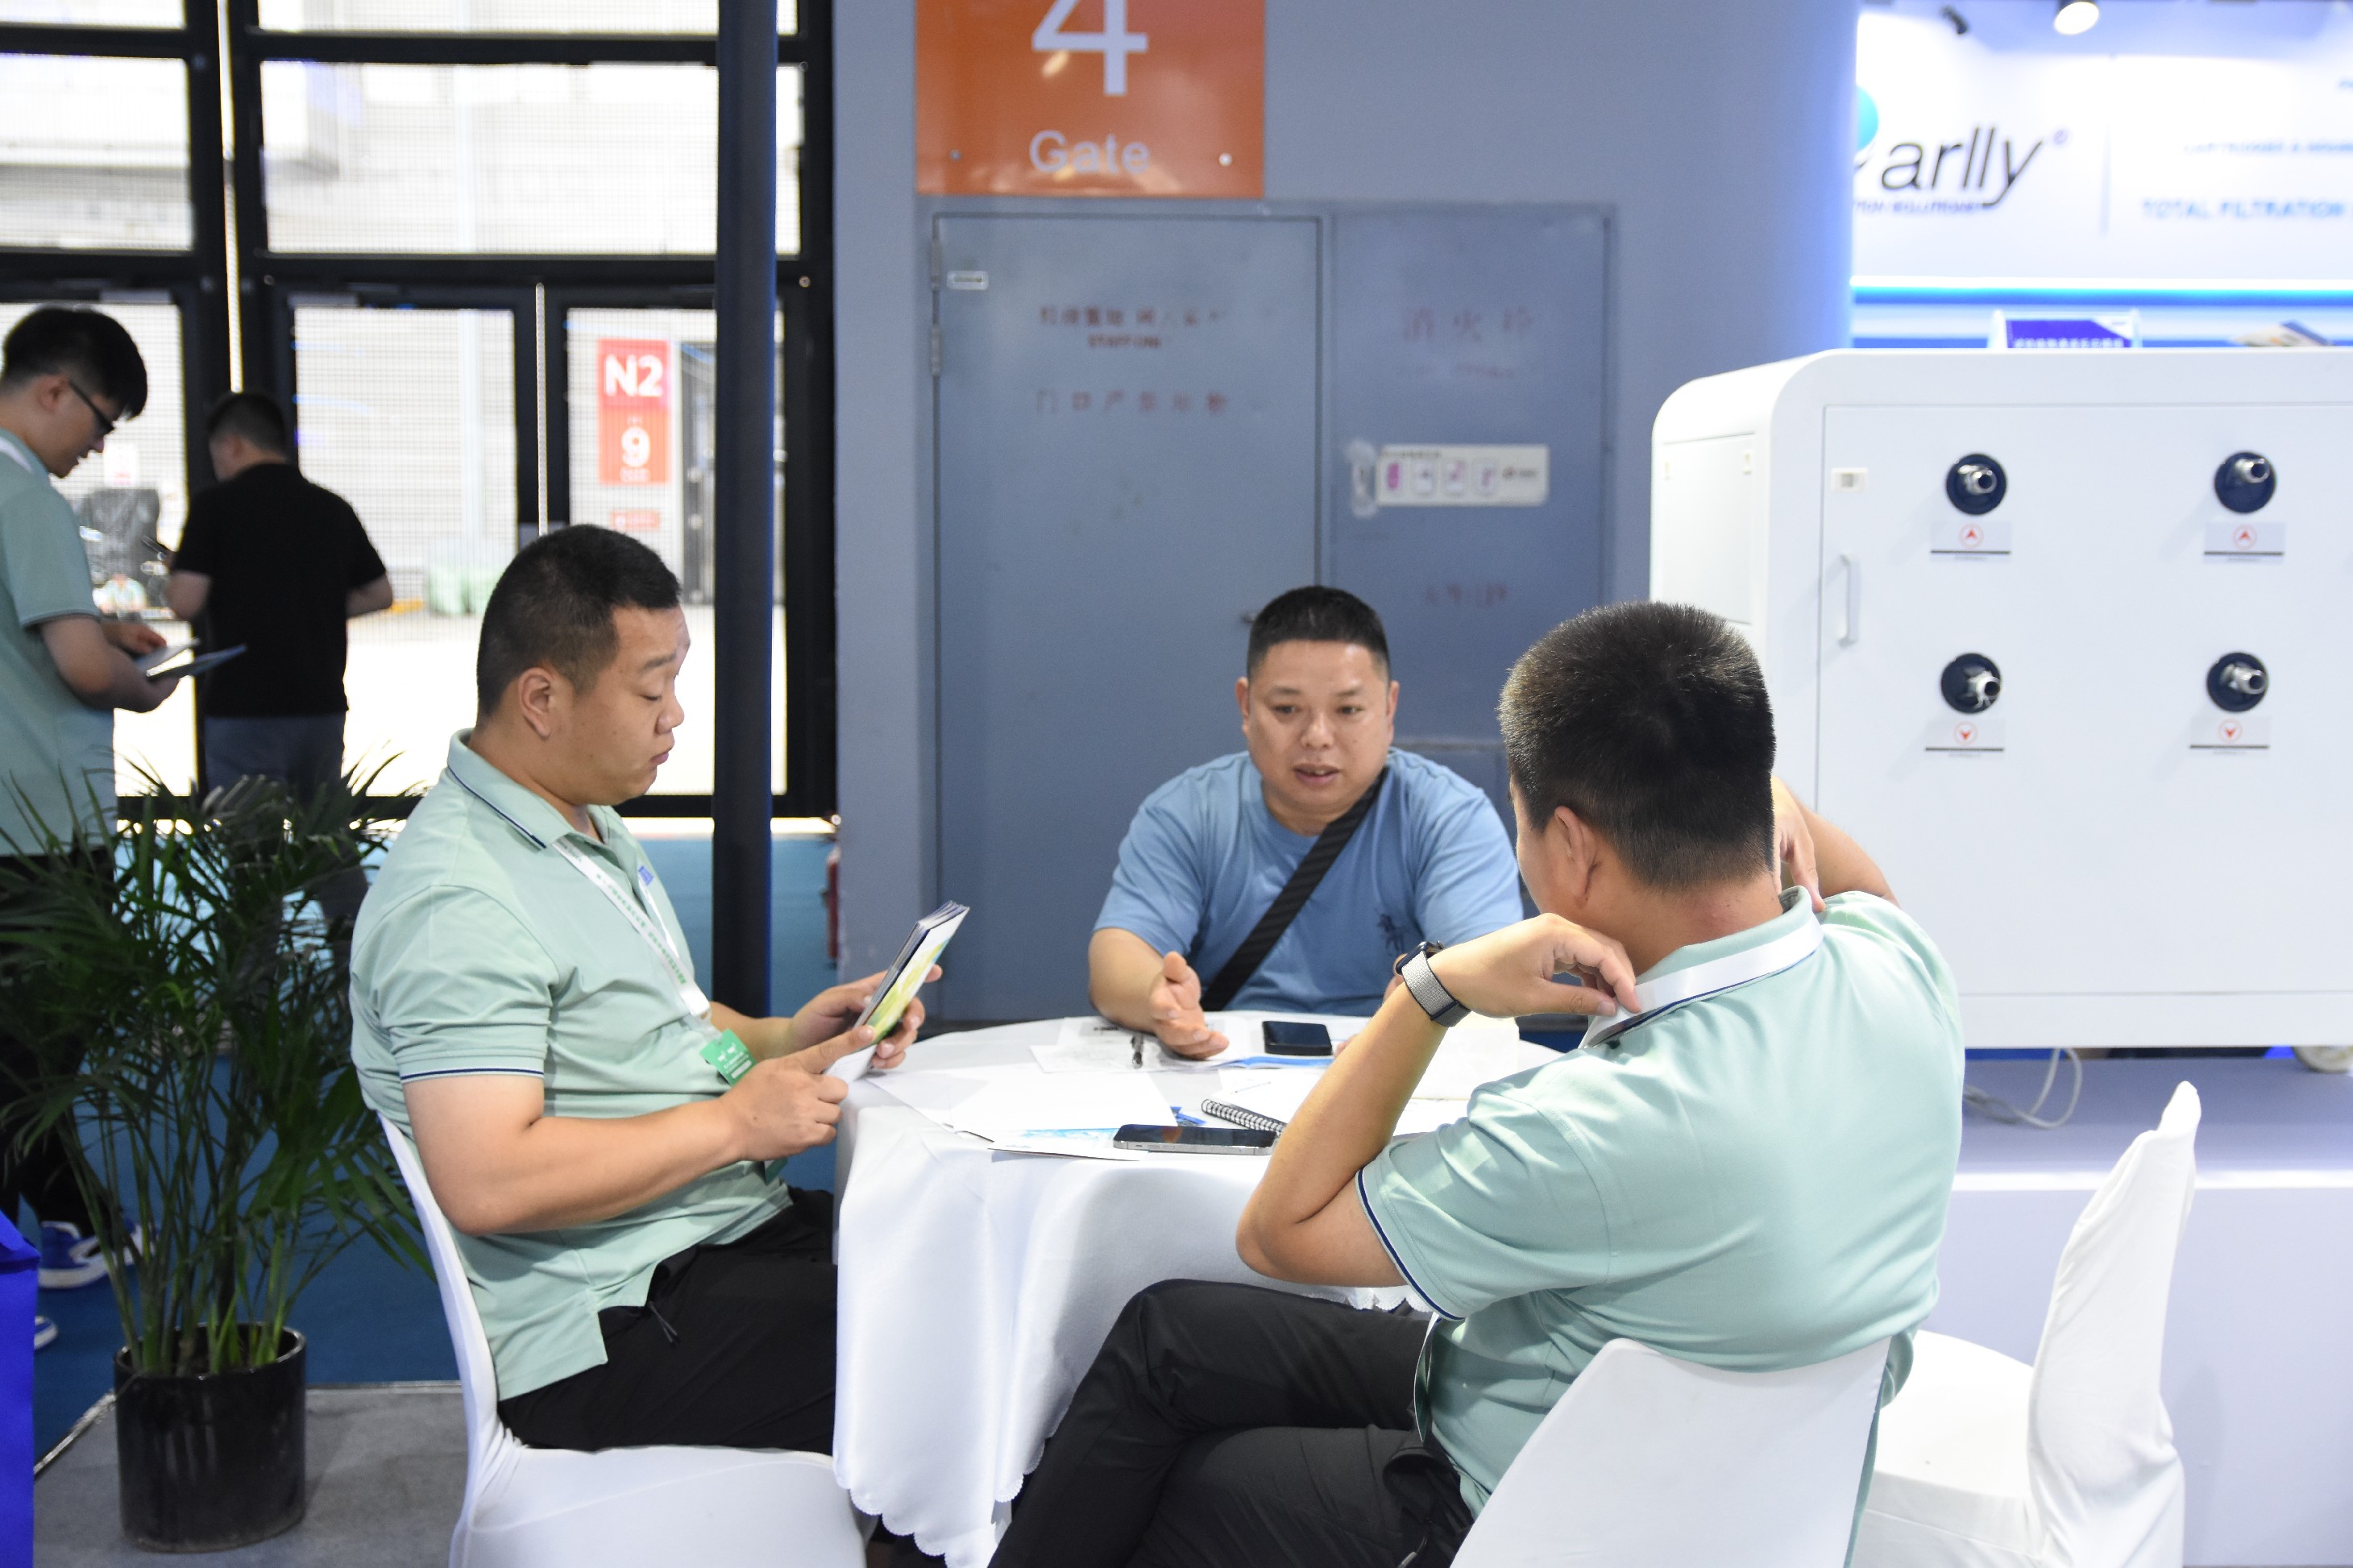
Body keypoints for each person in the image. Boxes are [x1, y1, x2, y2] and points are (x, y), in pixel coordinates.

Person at [993, 601, 1964, 1568]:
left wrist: (1433, 990)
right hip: (1740, 1495)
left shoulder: (1588, 1123)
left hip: (1518, 1511)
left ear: (1572, 846)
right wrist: (1762, 790)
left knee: (1171, 1479)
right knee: (1172, 1334)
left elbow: (1280, 1231)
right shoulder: (1900, 971)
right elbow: (1863, 893)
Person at [351, 524, 932, 1453]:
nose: (676, 716)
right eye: (652, 690)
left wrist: (789, 1036)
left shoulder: (576, 820)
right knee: (962, 1345)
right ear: (542, 697)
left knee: (970, 1262)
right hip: (616, 1316)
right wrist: (734, 1125)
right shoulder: (457, 898)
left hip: (710, 1232)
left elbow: (669, 1022)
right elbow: (486, 1179)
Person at [1089, 587, 1523, 1057]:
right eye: (1287, 709)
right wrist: (1159, 998)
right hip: (1220, 1061)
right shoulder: (1187, 812)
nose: (1317, 737)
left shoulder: (1449, 817)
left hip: (1391, 1067)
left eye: (1348, 710)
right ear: (1246, 706)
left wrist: (1417, 1011)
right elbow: (1118, 958)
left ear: (1388, 709)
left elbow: (1487, 973)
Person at [0, 307, 177, 1350]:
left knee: (25, 1062)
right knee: (28, 1066)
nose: (97, 448)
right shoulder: (26, 495)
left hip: (17, 820)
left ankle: (74, 1225)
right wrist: (140, 682)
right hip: (38, 831)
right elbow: (76, 667)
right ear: (53, 389)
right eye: (101, 422)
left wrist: (98, 626)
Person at [166, 392, 392, 799]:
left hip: (243, 707)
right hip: (320, 704)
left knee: (249, 834)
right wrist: (315, 603)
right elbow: (380, 593)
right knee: (318, 831)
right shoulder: (331, 507)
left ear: (232, 444)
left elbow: (184, 602)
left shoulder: (214, 506)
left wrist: (181, 569)